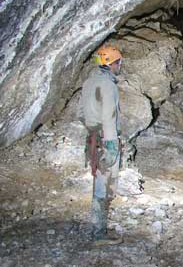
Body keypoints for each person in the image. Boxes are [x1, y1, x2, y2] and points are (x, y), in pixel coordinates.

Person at [80, 45, 123, 246]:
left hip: (92, 139)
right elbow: (109, 115)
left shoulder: (89, 82)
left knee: (99, 182)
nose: (119, 65)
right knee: (104, 186)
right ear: (111, 64)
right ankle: (99, 233)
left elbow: (83, 113)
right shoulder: (108, 85)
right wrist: (112, 144)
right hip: (106, 139)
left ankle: (100, 228)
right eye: (117, 62)